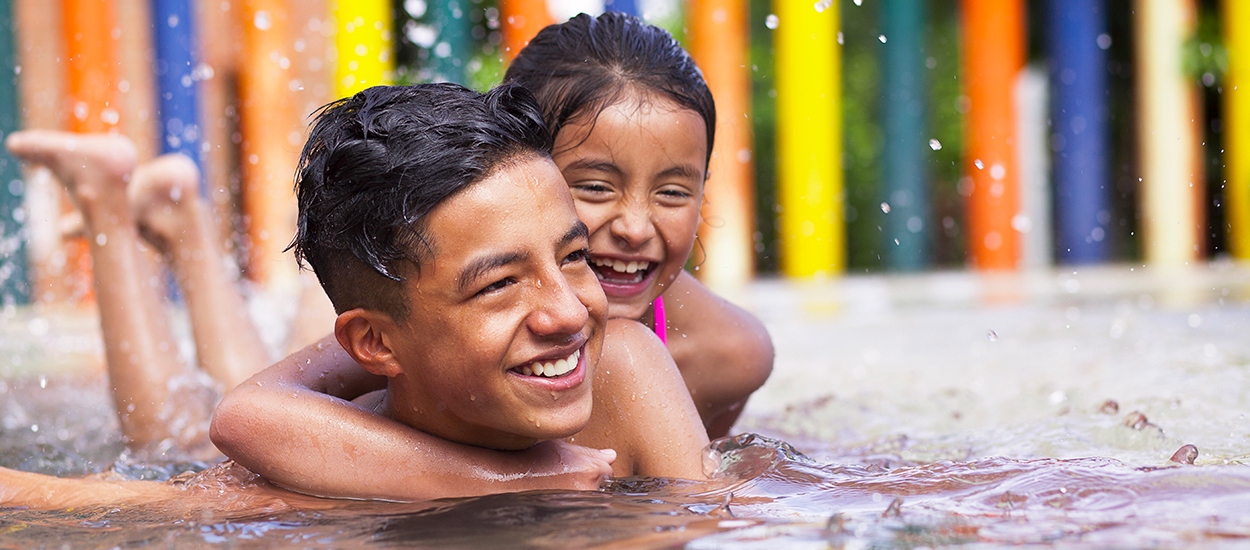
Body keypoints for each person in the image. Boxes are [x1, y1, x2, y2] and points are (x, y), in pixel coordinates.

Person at [0, 82, 708, 509]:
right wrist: (506, 482)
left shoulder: (629, 371)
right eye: (499, 285)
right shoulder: (313, 484)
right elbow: (86, 503)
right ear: (373, 345)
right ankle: (120, 214)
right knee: (167, 444)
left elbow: (713, 517)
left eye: (573, 256)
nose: (570, 312)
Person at [210, 12, 773, 498]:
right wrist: (513, 478)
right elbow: (246, 416)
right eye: (596, 186)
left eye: (673, 191)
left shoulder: (718, 353)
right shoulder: (429, 318)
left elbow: (694, 492)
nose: (633, 226)